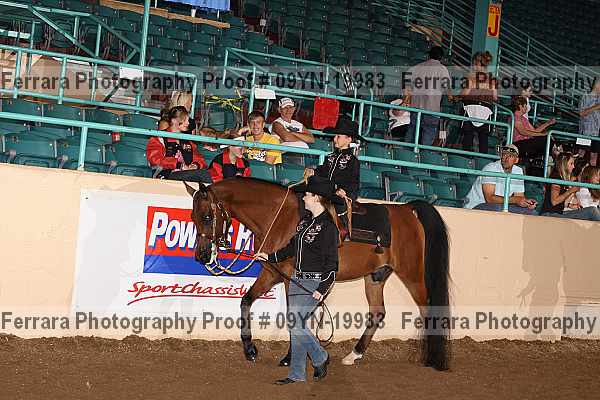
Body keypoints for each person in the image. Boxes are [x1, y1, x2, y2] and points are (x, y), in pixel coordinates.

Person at [254, 176, 339, 385]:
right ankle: (297, 374)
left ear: (317, 198)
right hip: (296, 279)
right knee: (296, 326)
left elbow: (332, 263)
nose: (304, 198)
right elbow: (291, 248)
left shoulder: (328, 227)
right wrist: (269, 256)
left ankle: (320, 356)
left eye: (307, 195)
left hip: (314, 283)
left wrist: (323, 288)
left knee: (295, 324)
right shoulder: (305, 223)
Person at [304, 118, 360, 238]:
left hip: (340, 194)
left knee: (337, 206)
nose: (334, 139)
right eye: (335, 136)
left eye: (338, 136)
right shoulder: (330, 157)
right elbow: (323, 171)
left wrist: (345, 191)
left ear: (349, 139)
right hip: (327, 190)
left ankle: (341, 231)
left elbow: (354, 182)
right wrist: (313, 171)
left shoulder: (353, 161)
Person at [464, 144, 537, 214]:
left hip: (499, 206)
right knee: (500, 209)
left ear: (516, 160)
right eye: (504, 155)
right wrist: (515, 200)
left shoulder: (518, 171)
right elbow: (489, 199)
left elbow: (519, 197)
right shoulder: (490, 168)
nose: (506, 159)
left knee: (530, 212)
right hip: (476, 205)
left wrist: (526, 203)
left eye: (510, 156)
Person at [403, 46, 454, 146]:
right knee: (429, 132)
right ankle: (424, 153)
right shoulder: (442, 69)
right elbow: (447, 87)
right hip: (432, 107)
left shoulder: (417, 67)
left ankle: (405, 151)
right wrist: (451, 97)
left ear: (429, 55)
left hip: (416, 106)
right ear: (441, 57)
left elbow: (406, 83)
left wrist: (407, 98)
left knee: (412, 130)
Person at [146, 106, 211, 182]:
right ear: (173, 121)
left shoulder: (187, 140)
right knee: (204, 175)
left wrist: (195, 165)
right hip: (166, 175)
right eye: (184, 120)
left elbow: (199, 159)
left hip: (188, 174)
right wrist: (178, 165)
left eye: (188, 120)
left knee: (207, 174)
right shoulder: (158, 138)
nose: (188, 123)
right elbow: (155, 160)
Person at [540, 152, 600, 221]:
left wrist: (571, 203)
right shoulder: (556, 178)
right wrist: (571, 191)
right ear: (564, 164)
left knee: (592, 210)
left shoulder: (562, 179)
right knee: (592, 211)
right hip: (550, 214)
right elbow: (554, 201)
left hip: (558, 213)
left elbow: (562, 204)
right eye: (571, 164)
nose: (573, 167)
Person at [459, 51, 498, 154]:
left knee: (468, 135)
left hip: (471, 108)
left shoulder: (471, 77)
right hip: (486, 110)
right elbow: (495, 97)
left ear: (477, 63)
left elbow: (465, 93)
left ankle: (465, 158)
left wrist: (459, 95)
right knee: (483, 138)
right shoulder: (492, 79)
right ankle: (483, 159)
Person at [579, 78, 600, 166]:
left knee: (594, 156)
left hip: (597, 131)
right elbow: (581, 113)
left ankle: (592, 173)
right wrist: (596, 107)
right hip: (586, 130)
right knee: (581, 153)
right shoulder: (586, 96)